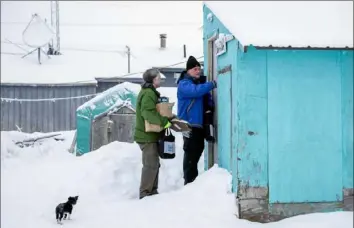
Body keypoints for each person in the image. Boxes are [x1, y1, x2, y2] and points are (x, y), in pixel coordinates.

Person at [177, 56, 217, 185]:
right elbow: (195, 92)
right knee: (191, 154)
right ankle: (189, 182)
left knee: (197, 151)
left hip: (197, 125)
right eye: (195, 69)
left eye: (199, 69)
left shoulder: (197, 83)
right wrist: (212, 84)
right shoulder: (184, 84)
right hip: (188, 125)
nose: (198, 71)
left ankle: (192, 182)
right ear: (188, 71)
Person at [134, 68, 172, 199]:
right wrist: (163, 122)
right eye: (159, 77)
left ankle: (152, 192)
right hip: (146, 136)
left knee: (154, 164)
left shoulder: (150, 92)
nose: (160, 79)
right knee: (150, 165)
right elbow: (148, 113)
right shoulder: (149, 93)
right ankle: (145, 193)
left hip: (150, 135)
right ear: (153, 79)